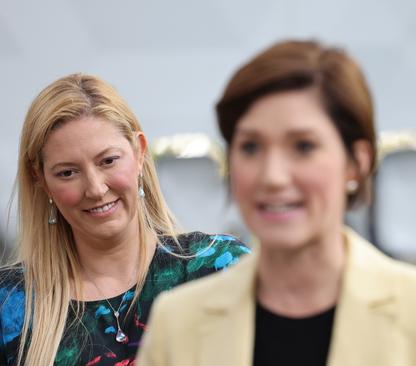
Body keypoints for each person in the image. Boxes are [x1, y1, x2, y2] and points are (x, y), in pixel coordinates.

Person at [137, 40, 416, 366]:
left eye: (303, 147)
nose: (273, 176)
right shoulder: (179, 320)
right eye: (250, 147)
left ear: (357, 161)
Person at [0, 73, 250, 365]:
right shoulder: (10, 304)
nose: (95, 188)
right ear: (40, 179)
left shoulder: (219, 268)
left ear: (139, 152)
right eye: (68, 172)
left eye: (108, 161)